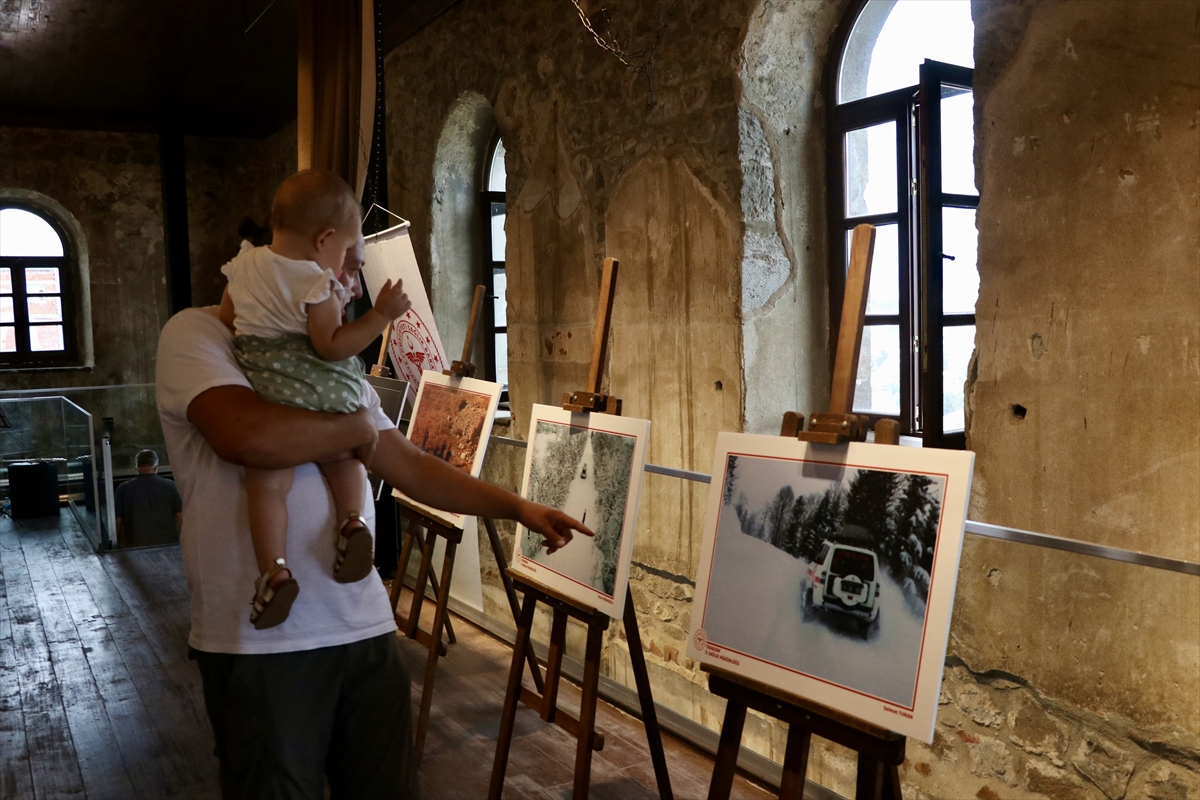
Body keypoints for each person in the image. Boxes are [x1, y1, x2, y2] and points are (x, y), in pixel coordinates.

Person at [156, 231, 590, 799]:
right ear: (284, 268)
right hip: (261, 643)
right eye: (341, 268)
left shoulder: (329, 357)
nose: (349, 284)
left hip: (362, 627)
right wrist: (356, 431)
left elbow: (407, 464)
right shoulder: (197, 333)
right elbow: (248, 438)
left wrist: (516, 507)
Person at [218, 170, 412, 629]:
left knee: (266, 486)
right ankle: (351, 522)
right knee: (345, 454)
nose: (347, 267)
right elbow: (331, 345)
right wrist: (381, 315)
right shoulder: (315, 282)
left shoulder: (244, 264)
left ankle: (275, 570)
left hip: (268, 393)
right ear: (325, 239)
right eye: (348, 252)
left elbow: (228, 319)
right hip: (320, 388)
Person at [114, 449, 182, 548]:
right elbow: (181, 518)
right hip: (168, 545)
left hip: (136, 546)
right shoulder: (171, 485)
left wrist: (117, 547)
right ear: (156, 467)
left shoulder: (123, 488)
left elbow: (117, 522)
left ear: (136, 468)